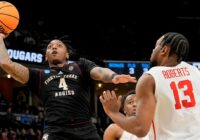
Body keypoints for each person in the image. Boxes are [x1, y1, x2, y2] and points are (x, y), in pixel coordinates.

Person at [0, 33, 136, 140]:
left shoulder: (80, 66)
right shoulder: (38, 76)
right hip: (55, 132)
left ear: (67, 54)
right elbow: (7, 64)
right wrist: (0, 38)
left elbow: (100, 72)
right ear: (46, 57)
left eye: (59, 45)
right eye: (49, 46)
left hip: (85, 130)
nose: (53, 47)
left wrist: (113, 76)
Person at [100, 32, 200, 140]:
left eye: (155, 46)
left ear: (164, 50)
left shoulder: (150, 78)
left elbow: (140, 129)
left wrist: (112, 112)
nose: (152, 50)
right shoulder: (196, 72)